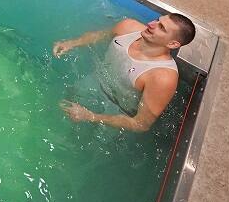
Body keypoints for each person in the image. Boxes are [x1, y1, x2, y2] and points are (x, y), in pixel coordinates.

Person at [52, 14, 195, 132]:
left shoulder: (162, 77)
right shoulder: (128, 27)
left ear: (172, 44)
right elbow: (99, 35)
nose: (151, 23)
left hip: (116, 111)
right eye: (158, 20)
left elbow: (141, 124)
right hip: (93, 82)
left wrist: (91, 117)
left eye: (161, 27)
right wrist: (72, 43)